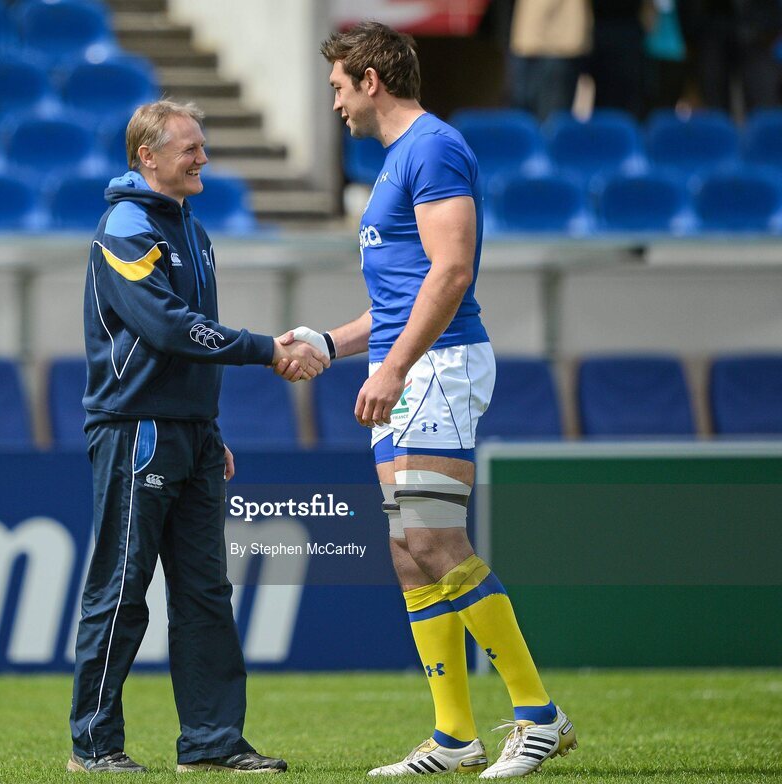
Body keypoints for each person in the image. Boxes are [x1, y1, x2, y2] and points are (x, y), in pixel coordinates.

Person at [290, 22, 576, 778]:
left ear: (371, 81)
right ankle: (455, 737)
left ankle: (539, 716)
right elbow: (396, 302)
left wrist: (394, 368)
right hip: (412, 364)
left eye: (338, 87)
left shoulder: (433, 148)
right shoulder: (396, 162)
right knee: (409, 553)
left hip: (439, 366)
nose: (335, 103)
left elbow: (450, 276)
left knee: (436, 542)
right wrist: (330, 342)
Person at [67, 99, 325, 774]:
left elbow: (186, 345)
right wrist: (268, 349)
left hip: (190, 433)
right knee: (120, 590)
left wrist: (207, 426)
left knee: (206, 592)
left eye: (203, 146)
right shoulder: (124, 229)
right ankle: (93, 746)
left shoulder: (194, 230)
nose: (204, 157)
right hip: (136, 431)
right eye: (191, 148)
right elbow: (170, 329)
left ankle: (211, 743)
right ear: (148, 156)